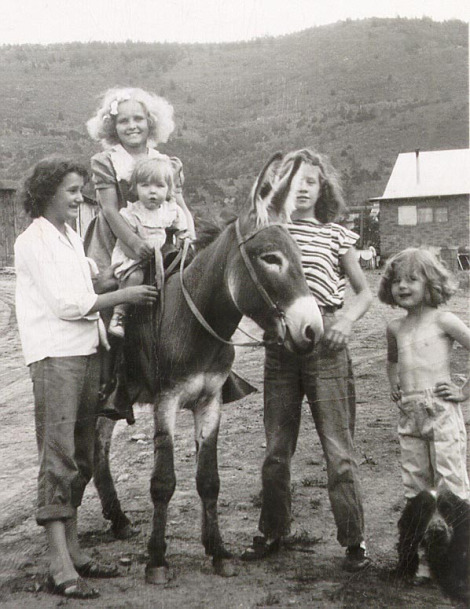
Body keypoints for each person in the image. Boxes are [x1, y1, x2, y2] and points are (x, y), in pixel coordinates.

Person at [14, 156, 158, 599]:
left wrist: (131, 265)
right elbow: (65, 304)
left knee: (82, 453)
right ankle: (58, 563)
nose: (80, 199)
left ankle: (74, 551)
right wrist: (124, 293)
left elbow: (87, 287)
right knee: (58, 456)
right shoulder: (31, 241)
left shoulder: (71, 237)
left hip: (86, 350)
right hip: (55, 356)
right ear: (46, 194)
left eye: (81, 190)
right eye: (72, 191)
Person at [241, 148, 373, 571]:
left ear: (322, 189)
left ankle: (354, 541)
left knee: (338, 449)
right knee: (277, 449)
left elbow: (364, 291)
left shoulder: (336, 235)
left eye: (310, 182)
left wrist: (347, 321)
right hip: (281, 347)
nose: (301, 189)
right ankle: (273, 531)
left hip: (327, 347)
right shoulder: (271, 232)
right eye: (293, 182)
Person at [85, 87, 195, 409]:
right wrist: (133, 244)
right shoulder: (107, 161)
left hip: (162, 235)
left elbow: (179, 204)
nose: (132, 126)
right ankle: (111, 384)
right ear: (112, 126)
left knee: (188, 293)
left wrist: (188, 231)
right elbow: (108, 209)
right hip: (117, 237)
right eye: (123, 121)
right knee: (111, 294)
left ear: (151, 122)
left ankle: (195, 370)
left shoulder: (166, 162)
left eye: (139, 119)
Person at [378, 248, 470, 578]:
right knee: (415, 486)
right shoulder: (394, 327)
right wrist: (394, 385)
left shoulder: (444, 320)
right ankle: (410, 559)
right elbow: (392, 361)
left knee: (451, 485)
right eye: (397, 280)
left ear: (429, 282)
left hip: (441, 411)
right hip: (410, 413)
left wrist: (463, 391)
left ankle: (458, 561)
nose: (403, 286)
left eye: (412, 279)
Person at [108, 156, 189, 338]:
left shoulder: (170, 210)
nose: (152, 192)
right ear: (135, 188)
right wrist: (136, 247)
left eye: (159, 186)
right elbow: (123, 239)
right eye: (145, 185)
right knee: (135, 277)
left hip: (158, 258)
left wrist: (183, 236)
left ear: (168, 189)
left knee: (178, 276)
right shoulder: (132, 212)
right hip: (133, 257)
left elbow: (180, 226)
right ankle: (119, 315)